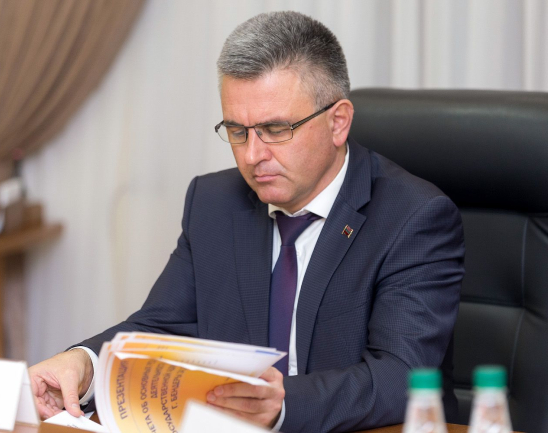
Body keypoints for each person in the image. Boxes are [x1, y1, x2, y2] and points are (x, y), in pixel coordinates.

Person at [29, 11, 464, 432]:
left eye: (276, 129)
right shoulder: (213, 203)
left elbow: (401, 377)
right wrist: (84, 362)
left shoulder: (413, 217)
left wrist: (283, 406)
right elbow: (160, 328)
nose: (253, 155)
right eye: (238, 131)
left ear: (338, 122)